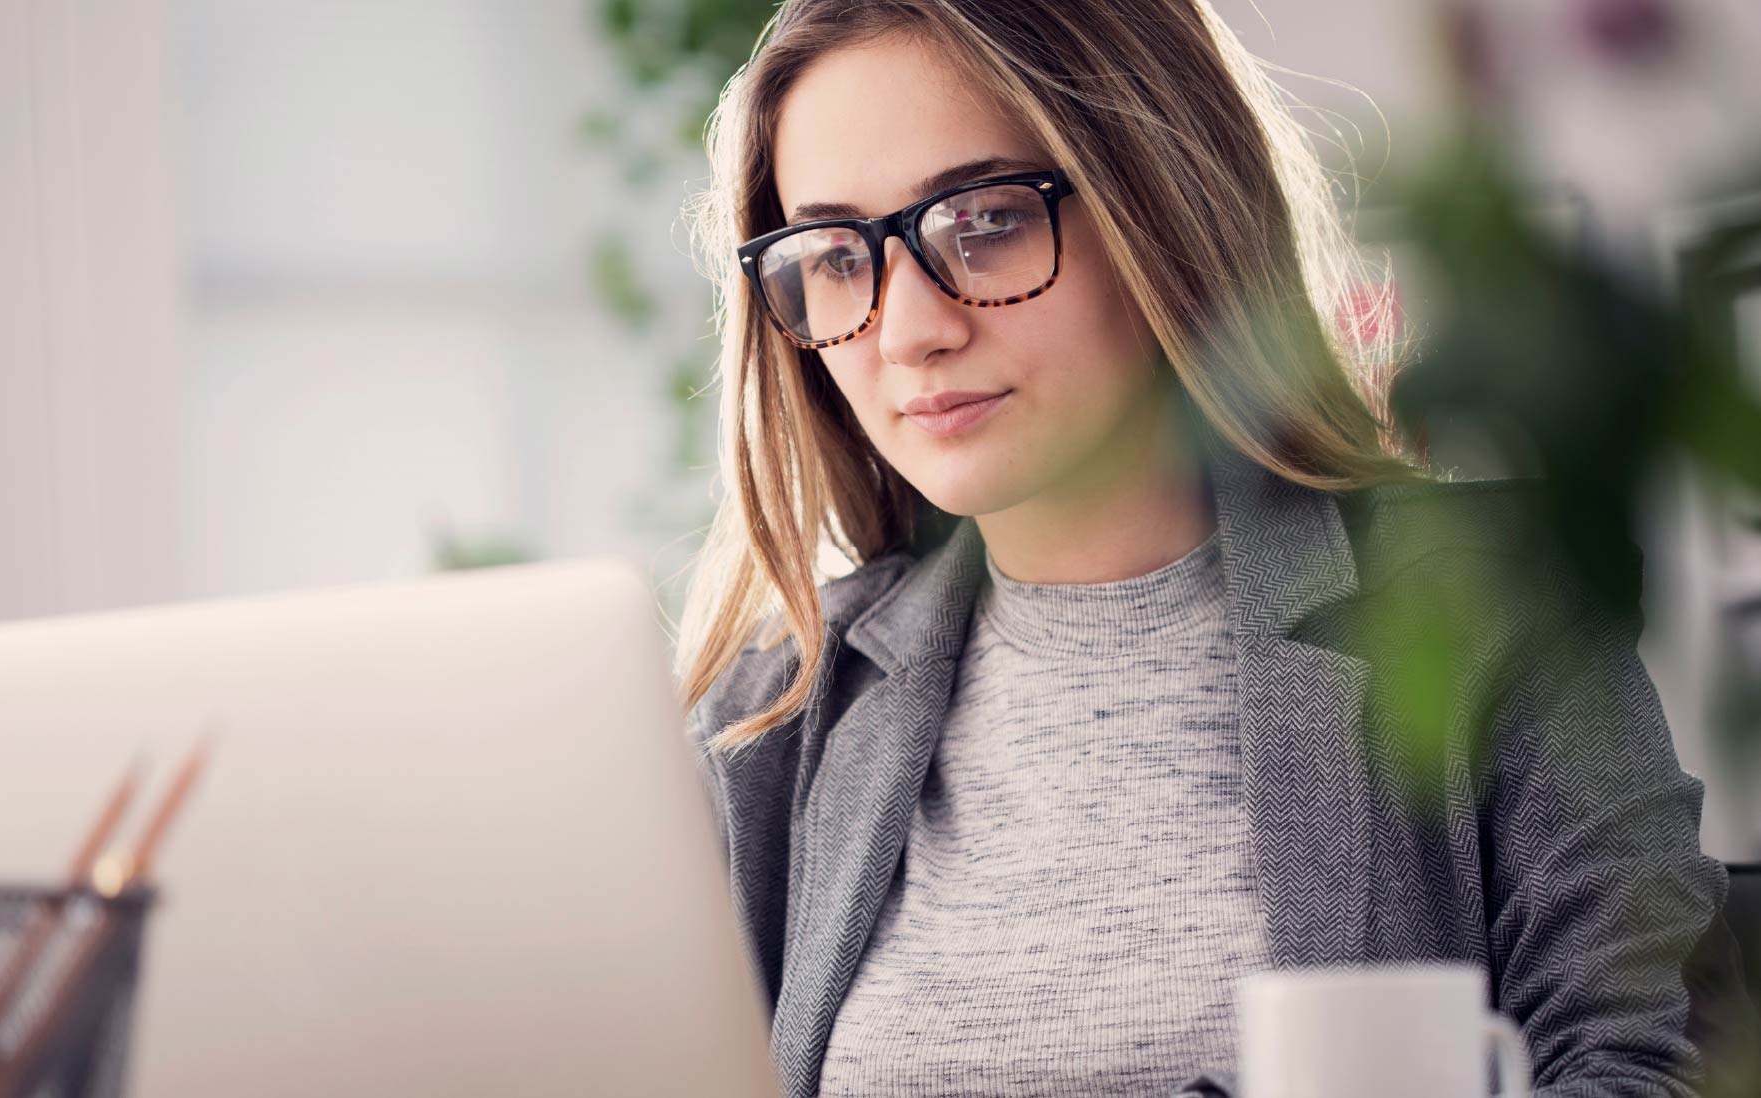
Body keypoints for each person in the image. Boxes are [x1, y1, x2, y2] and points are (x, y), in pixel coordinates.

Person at [671, 2, 1731, 1096]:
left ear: (1162, 207)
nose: (907, 331)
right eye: (836, 257)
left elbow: (1647, 1067)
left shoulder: (1483, 610)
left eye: (985, 222)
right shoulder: (777, 713)